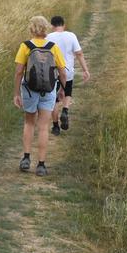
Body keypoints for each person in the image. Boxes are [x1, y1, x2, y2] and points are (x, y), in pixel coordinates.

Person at [13, 15, 69, 177]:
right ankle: (41, 165)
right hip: (49, 89)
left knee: (29, 123)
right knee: (44, 126)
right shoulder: (53, 47)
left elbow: (18, 72)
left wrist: (16, 93)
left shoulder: (26, 46)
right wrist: (63, 89)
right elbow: (62, 72)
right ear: (46, 29)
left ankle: (25, 158)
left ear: (31, 28)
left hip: (29, 90)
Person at [44, 15, 90, 136]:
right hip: (68, 72)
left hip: (52, 73)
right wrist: (85, 70)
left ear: (52, 26)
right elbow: (79, 53)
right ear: (63, 25)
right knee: (67, 92)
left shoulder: (48, 37)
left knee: (54, 100)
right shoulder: (71, 36)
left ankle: (55, 126)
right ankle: (65, 110)